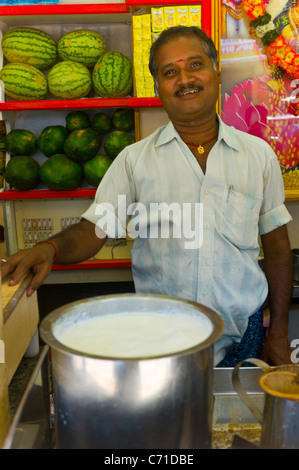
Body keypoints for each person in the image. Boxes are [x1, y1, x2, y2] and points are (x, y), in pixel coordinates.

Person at [1, 26, 293, 367]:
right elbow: (93, 230)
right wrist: (48, 249)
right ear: (158, 87)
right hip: (163, 337)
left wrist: (280, 334)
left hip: (245, 333)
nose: (185, 79)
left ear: (216, 71)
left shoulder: (258, 156)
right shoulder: (134, 160)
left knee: (236, 420)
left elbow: (276, 246)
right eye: (170, 72)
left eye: (195, 65)